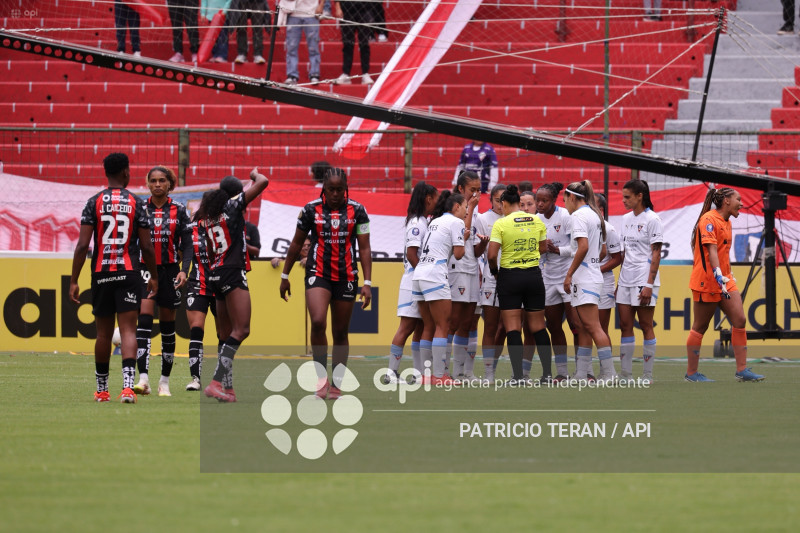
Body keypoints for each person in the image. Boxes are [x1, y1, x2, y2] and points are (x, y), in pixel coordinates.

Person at [70, 153, 158, 403]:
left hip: (101, 274)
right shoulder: (136, 202)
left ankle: (101, 390)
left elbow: (82, 246)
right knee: (129, 330)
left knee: (103, 335)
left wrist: (74, 280)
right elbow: (147, 247)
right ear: (126, 173)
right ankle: (128, 388)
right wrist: (153, 276)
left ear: (106, 173)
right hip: (129, 273)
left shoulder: (93, 202)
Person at [280, 168, 372, 399]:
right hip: (318, 272)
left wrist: (368, 282)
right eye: (330, 189)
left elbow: (365, 247)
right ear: (324, 188)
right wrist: (284, 275)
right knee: (319, 321)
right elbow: (295, 244)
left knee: (340, 332)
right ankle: (321, 380)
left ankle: (337, 384)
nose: (334, 194)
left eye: (339, 189)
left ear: (346, 189)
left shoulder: (358, 211)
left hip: (346, 275)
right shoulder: (310, 210)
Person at [200, 169, 270, 402]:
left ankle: (227, 389)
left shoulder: (208, 216)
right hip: (232, 272)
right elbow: (263, 182)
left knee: (225, 334)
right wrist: (253, 174)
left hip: (215, 274)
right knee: (242, 330)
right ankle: (216, 382)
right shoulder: (232, 206)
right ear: (236, 194)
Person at [686, 188, 765, 382]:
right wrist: (717, 273)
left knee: (740, 319)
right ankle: (691, 373)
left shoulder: (727, 222)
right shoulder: (708, 220)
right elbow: (712, 250)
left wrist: (726, 274)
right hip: (707, 281)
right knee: (700, 327)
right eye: (739, 199)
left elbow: (721, 252)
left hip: (725, 281)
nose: (742, 203)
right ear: (727, 201)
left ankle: (742, 370)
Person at [132, 166, 192, 397]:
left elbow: (187, 244)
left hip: (169, 272)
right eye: (153, 181)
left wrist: (184, 270)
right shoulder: (139, 209)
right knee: (144, 323)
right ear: (147, 184)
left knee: (168, 328)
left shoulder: (179, 210)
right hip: (145, 271)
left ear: (170, 184)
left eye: (162, 181)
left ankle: (164, 382)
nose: (157, 184)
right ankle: (143, 378)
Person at [487, 184, 551, 384]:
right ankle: (547, 375)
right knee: (539, 326)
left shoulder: (501, 224)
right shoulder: (537, 221)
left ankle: (517, 377)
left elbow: (491, 255)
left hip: (509, 277)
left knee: (513, 328)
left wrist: (495, 272)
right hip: (533, 276)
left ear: (505, 203)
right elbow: (542, 248)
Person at [562, 180, 617, 383]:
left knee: (593, 327)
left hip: (584, 278)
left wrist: (569, 274)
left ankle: (609, 373)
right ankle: (581, 374)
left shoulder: (578, 216)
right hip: (592, 275)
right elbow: (602, 250)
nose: (565, 203)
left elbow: (582, 246)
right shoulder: (595, 215)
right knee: (585, 327)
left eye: (565, 198)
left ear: (573, 197)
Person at [384, 181, 438, 383]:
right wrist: (424, 274)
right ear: (428, 199)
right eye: (436, 198)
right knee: (406, 328)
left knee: (421, 328)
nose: (437, 202)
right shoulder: (417, 223)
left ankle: (418, 373)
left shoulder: (423, 221)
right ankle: (391, 372)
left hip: (419, 281)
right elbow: (411, 253)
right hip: (414, 282)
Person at [412, 190, 467, 384]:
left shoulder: (434, 221)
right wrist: (464, 239)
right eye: (465, 208)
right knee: (443, 325)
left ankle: (426, 375)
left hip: (419, 273)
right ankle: (439, 375)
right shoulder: (457, 222)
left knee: (429, 325)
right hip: (435, 274)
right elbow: (459, 254)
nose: (467, 212)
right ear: (456, 207)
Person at [617, 179, 662, 383]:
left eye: (627, 197)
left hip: (643, 279)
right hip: (626, 278)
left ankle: (648, 375)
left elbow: (656, 253)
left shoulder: (653, 219)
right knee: (625, 325)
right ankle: (625, 375)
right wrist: (620, 280)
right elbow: (625, 252)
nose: (624, 200)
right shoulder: (625, 219)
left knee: (645, 325)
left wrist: (649, 284)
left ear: (639, 196)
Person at [536, 182, 578, 381]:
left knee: (576, 325)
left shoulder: (566, 217)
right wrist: (541, 248)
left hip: (567, 276)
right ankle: (562, 372)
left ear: (554, 200)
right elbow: (536, 252)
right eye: (538, 200)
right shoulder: (536, 220)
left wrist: (556, 250)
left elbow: (575, 248)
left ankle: (582, 370)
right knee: (553, 326)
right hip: (548, 278)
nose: (540, 204)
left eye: (544, 201)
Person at [447, 171, 484, 382]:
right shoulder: (455, 211)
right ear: (461, 189)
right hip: (457, 270)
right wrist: (470, 208)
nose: (477, 194)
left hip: (472, 270)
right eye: (472, 190)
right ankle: (442, 371)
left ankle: (462, 373)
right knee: (453, 322)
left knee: (469, 321)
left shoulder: (476, 213)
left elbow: (472, 245)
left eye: (479, 189)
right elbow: (463, 232)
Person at [184, 193, 218, 391]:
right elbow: (183, 251)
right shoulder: (191, 228)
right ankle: (195, 379)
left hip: (221, 282)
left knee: (224, 332)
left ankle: (222, 378)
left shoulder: (226, 226)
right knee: (197, 329)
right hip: (198, 282)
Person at [474, 183, 506, 382]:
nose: (501, 204)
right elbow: (477, 251)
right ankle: (488, 374)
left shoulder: (514, 218)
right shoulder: (483, 219)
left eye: (504, 200)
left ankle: (493, 367)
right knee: (490, 327)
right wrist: (483, 244)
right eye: (497, 200)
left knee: (506, 327)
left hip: (512, 278)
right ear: (491, 200)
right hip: (491, 278)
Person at [594, 193, 622, 345]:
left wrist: (597, 270)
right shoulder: (581, 228)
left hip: (603, 283)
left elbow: (617, 258)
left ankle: (606, 368)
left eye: (592, 205)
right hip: (584, 282)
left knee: (601, 329)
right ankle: (584, 368)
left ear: (601, 210)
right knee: (583, 328)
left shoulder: (609, 230)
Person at [280, 0, 324, 84]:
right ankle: (292, 75)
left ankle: (314, 74)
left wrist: (321, 5)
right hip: (293, 13)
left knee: (313, 47)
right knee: (291, 47)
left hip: (312, 12)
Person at [334, 1, 374, 85]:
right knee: (347, 44)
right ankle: (346, 74)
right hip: (347, 10)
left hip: (365, 9)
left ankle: (365, 73)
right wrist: (337, 7)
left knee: (364, 43)